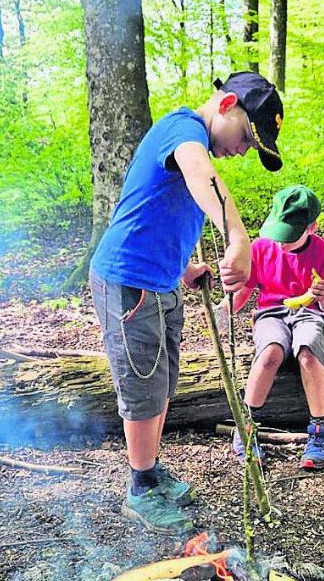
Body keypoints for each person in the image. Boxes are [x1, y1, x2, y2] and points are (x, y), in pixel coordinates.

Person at [89, 71, 284, 535]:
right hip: (129, 281)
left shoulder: (193, 142)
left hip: (161, 281)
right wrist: (238, 236)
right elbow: (200, 174)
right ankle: (139, 488)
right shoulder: (183, 130)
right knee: (142, 387)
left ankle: (151, 471)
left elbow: (158, 213)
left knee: (162, 384)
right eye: (246, 137)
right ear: (227, 103)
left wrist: (183, 270)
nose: (243, 150)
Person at [220, 185, 324, 470]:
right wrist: (223, 311)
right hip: (271, 313)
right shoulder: (261, 248)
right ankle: (246, 425)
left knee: (308, 350)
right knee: (270, 353)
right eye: (278, 233)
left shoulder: (323, 253)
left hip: (311, 313)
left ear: (311, 227)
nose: (281, 242)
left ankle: (319, 430)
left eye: (288, 236)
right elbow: (243, 291)